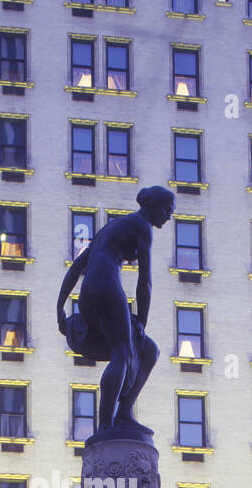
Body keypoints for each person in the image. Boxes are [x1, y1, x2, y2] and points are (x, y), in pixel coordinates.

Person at [56, 185, 175, 441]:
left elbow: (77, 266)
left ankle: (123, 414)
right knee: (123, 351)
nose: (169, 216)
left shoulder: (111, 227)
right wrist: (141, 321)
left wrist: (60, 306)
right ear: (152, 206)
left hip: (89, 292)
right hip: (107, 285)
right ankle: (106, 426)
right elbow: (145, 281)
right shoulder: (142, 227)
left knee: (148, 351)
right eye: (167, 209)